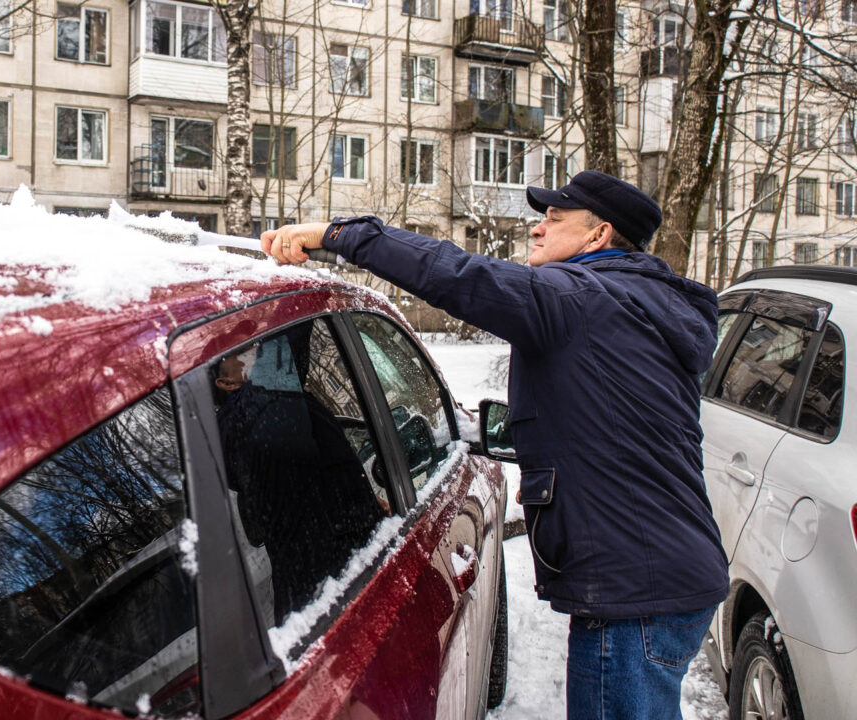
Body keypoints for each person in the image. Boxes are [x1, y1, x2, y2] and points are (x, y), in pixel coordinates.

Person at [261, 170, 729, 720]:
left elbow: (460, 275)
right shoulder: (638, 302)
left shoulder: (577, 296)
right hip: (669, 574)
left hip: (637, 591)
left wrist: (340, 235)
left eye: (553, 220)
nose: (537, 231)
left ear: (598, 236)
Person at [212, 330, 385, 625]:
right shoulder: (253, 412)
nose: (252, 346)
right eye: (237, 351)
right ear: (226, 383)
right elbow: (288, 334)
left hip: (327, 579)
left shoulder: (266, 412)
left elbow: (314, 477)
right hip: (330, 590)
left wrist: (366, 505)